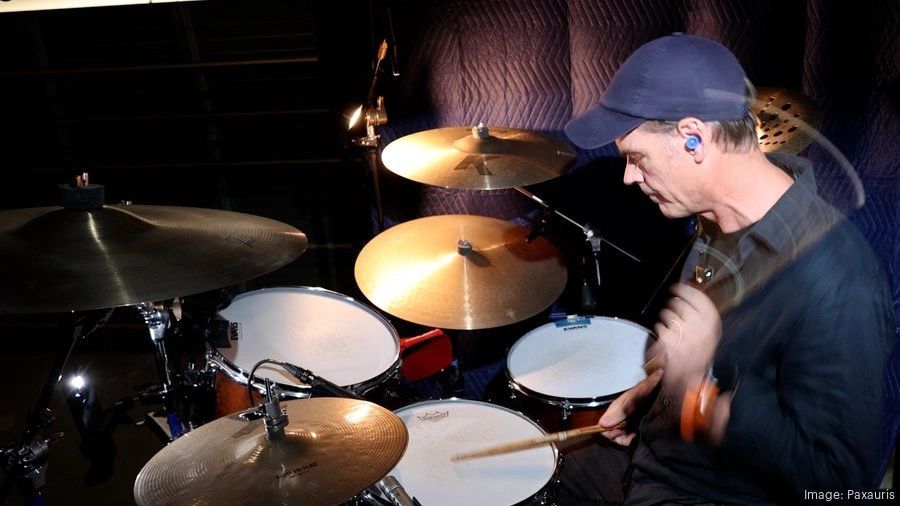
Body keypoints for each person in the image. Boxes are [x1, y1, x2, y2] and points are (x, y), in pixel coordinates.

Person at [561, 33, 895, 504]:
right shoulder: (713, 221)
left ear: (693, 136)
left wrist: (698, 394)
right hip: (657, 457)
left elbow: (839, 485)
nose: (629, 177)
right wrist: (654, 395)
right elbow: (731, 362)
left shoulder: (838, 282)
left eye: (637, 158)